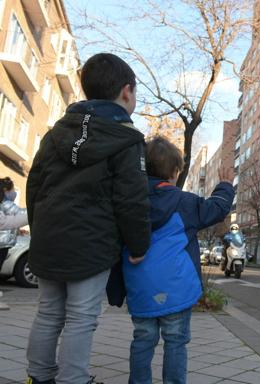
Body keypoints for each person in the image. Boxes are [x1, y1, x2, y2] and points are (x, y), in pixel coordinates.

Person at [25, 53, 152, 384]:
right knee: (81, 316)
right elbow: (131, 199)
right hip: (92, 244)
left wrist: (39, 229)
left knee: (49, 312)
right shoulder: (127, 140)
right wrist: (139, 244)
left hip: (49, 238)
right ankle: (74, 379)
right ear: (127, 92)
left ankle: (37, 377)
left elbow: (34, 185)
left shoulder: (54, 135)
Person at [123, 136, 234, 384]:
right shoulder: (185, 203)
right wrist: (225, 184)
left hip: (139, 287)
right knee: (176, 341)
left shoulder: (129, 201)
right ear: (174, 172)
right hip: (178, 288)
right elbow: (216, 208)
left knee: (142, 339)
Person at [0, 177, 27, 311]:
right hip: (2, 244)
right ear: (5, 190)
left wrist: (17, 230)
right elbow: (19, 215)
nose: (13, 193)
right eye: (12, 189)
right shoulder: (6, 203)